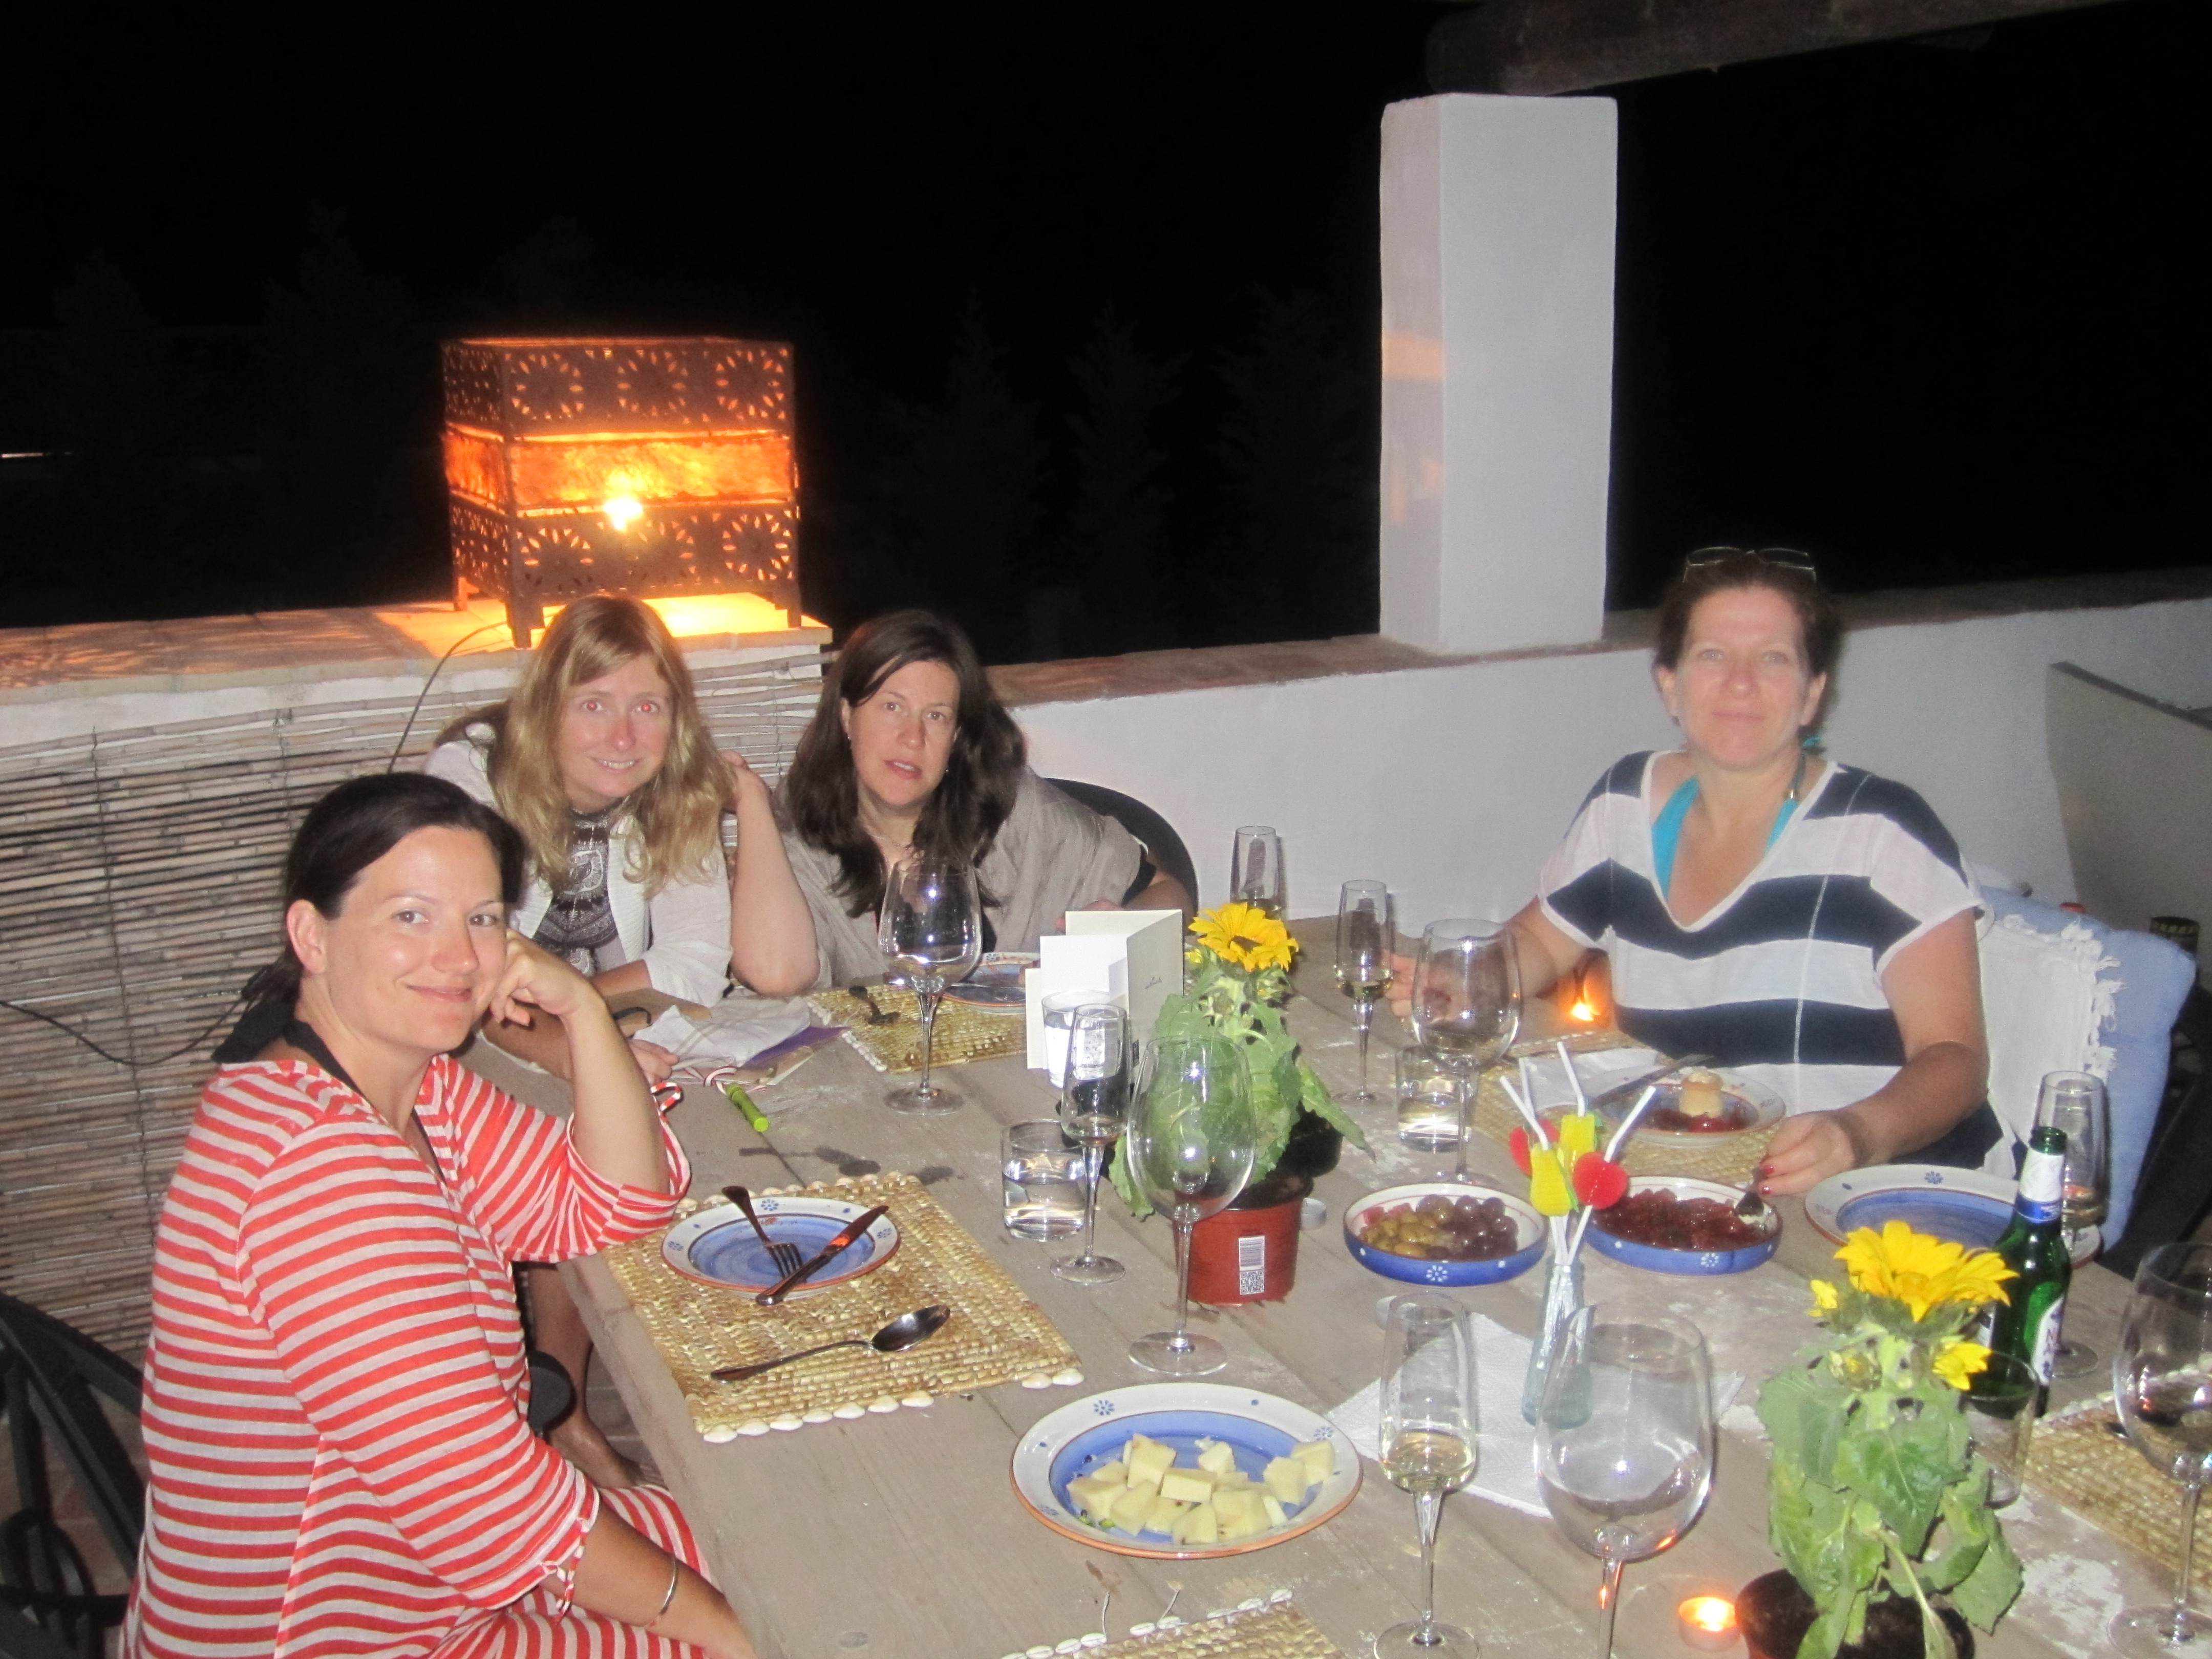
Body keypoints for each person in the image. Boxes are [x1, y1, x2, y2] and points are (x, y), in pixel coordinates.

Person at [126, 774, 756, 1658]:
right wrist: (732, 1632)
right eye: (411, 917)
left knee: (776, 1523)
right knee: (770, 1607)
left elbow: (615, 1208)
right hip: (336, 1635)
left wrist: (581, 1008)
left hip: (439, 1578)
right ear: (312, 935)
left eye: (483, 918)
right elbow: (490, 1505)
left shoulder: (415, 1087)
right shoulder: (312, 1171)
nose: (459, 958)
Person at [427, 594, 811, 1488]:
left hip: (589, 1018)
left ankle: (691, 1376)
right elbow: (462, 962)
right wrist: (580, 1044)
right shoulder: (473, 773)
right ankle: (556, 1414)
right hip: (454, 1033)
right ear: (547, 706)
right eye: (594, 704)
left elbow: (696, 963)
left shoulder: (675, 789)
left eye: (649, 706)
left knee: (730, 1118)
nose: (624, 734)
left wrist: (577, 1010)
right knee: (585, 1133)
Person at [1505, 547, 1994, 1196]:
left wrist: (1858, 1133)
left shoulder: (1882, 832)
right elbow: (1540, 943)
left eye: (1773, 658)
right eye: (1713, 655)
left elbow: (1955, 1060)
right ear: (1670, 685)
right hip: (1690, 1181)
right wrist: (1463, 981)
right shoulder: (1625, 804)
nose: (1740, 683)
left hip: (1872, 1195)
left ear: (1812, 694)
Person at [742, 608, 1192, 989]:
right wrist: (750, 803)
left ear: (956, 737)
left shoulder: (1016, 812)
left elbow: (1171, 897)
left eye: (936, 716)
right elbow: (775, 978)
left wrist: (1118, 934)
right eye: (892, 707)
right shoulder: (796, 837)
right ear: (846, 716)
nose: (912, 737)